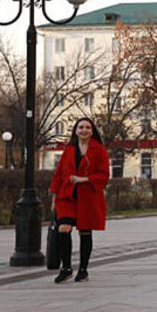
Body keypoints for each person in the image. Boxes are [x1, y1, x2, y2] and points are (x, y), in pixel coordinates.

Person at [50, 117, 110, 283]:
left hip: (88, 197)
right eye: (81, 127)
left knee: (85, 232)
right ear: (76, 130)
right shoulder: (69, 149)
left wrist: (84, 179)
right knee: (63, 228)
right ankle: (66, 267)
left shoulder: (99, 150)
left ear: (92, 131)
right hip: (67, 196)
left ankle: (83, 270)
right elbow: (59, 174)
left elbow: (104, 175)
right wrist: (54, 197)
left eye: (87, 128)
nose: (84, 130)